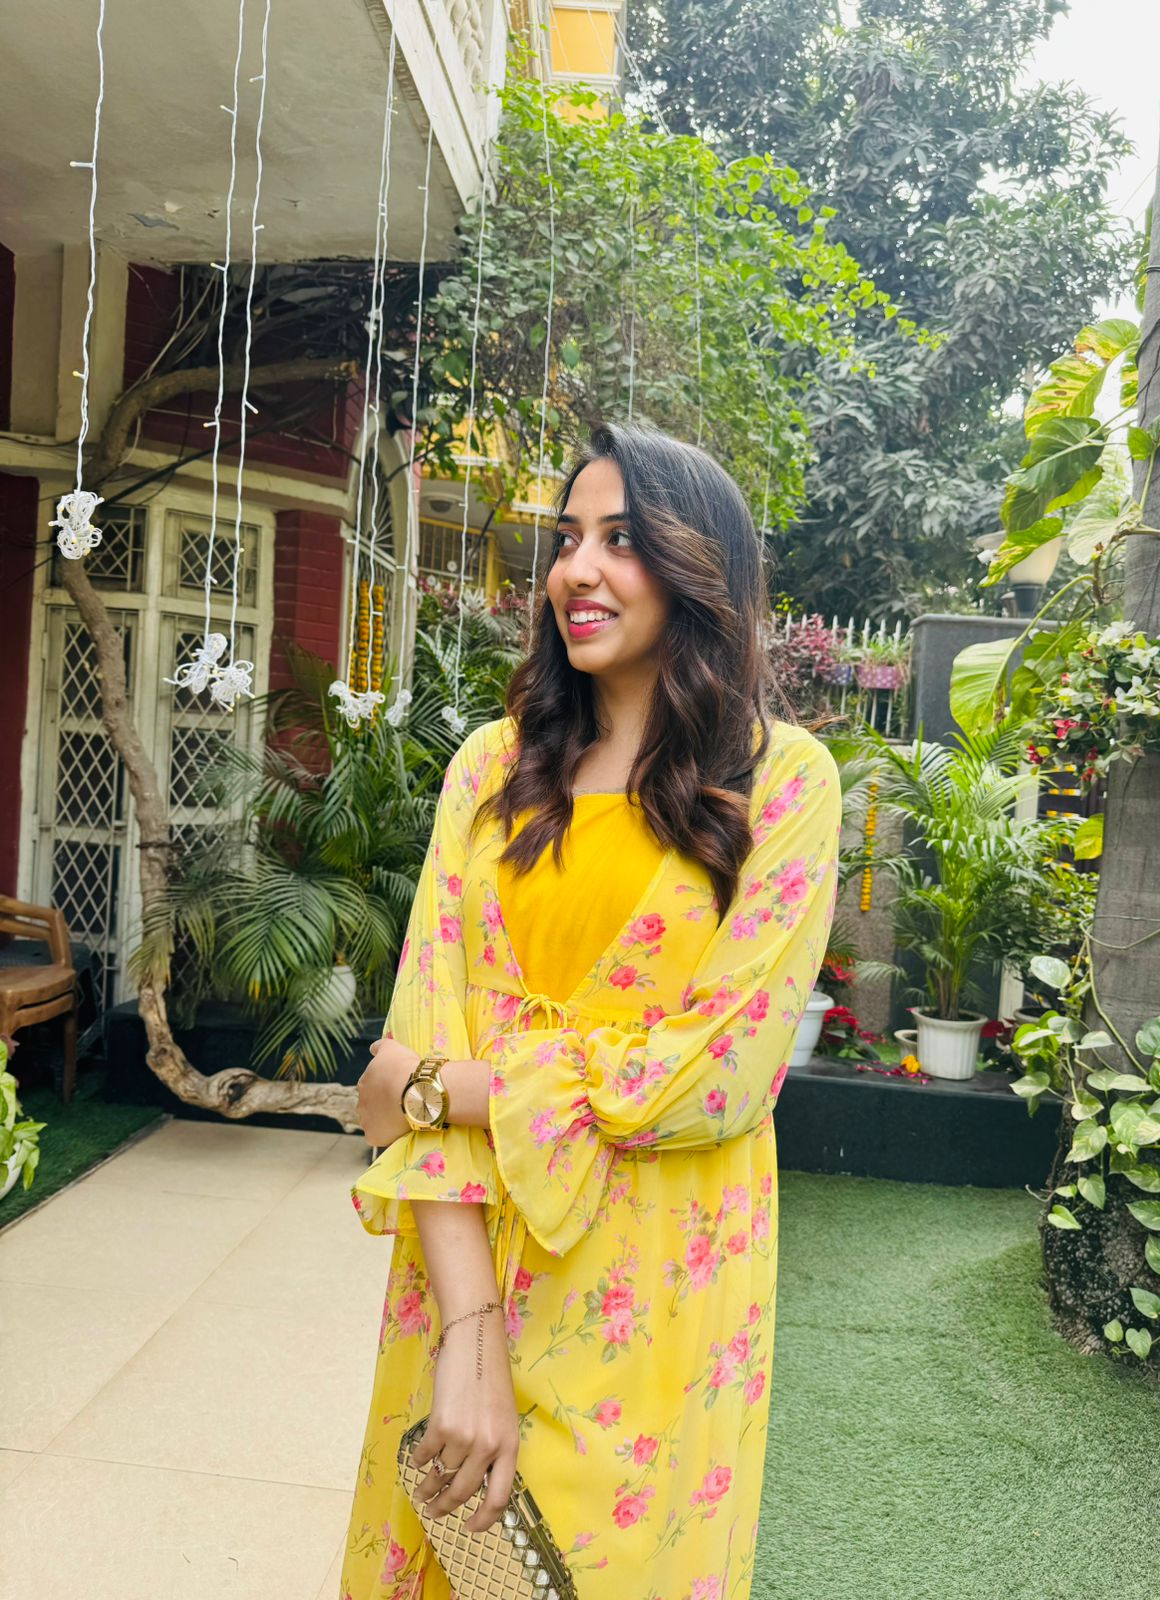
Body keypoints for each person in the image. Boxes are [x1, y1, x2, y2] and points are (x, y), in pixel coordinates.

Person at [340, 421, 841, 1599]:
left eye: (622, 539)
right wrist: (470, 1331)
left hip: (651, 1296)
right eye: (568, 538)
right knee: (451, 1559)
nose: (577, 568)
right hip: (460, 1266)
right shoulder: (489, 768)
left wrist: (444, 1086)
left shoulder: (782, 782)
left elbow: (715, 1079)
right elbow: (424, 1020)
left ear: (699, 568)